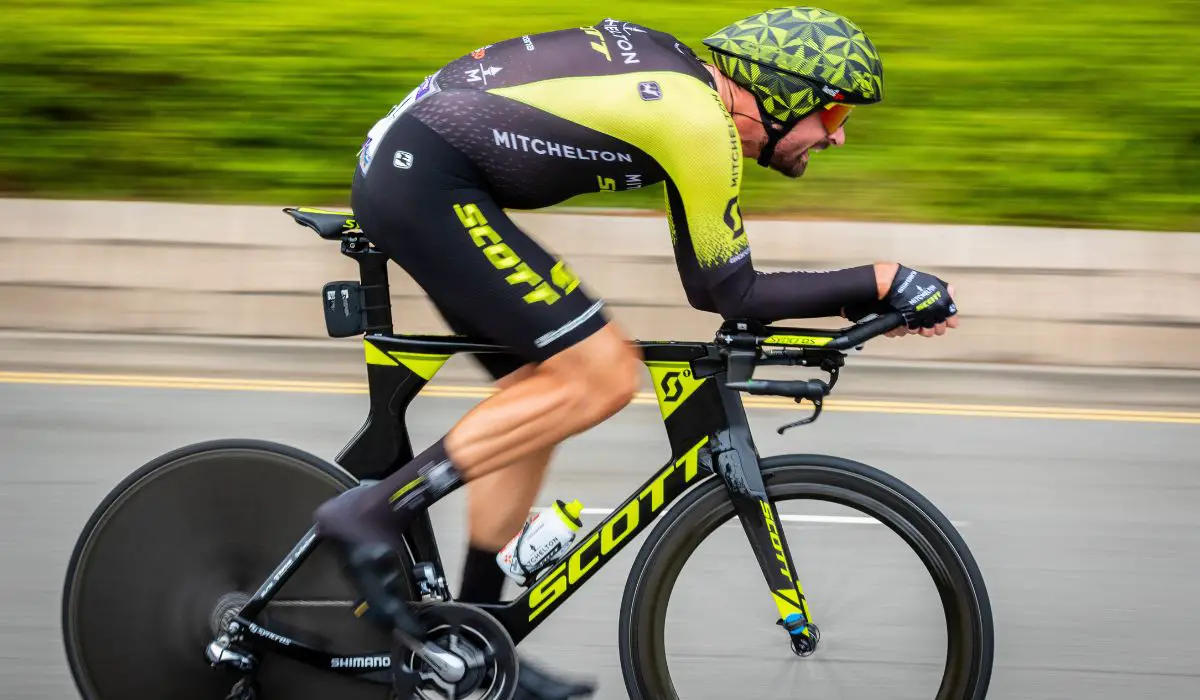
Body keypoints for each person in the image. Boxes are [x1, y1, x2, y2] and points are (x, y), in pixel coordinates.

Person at [314, 6, 959, 699]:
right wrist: (882, 281)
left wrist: (867, 296)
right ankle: (373, 511)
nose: (836, 137)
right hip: (425, 181)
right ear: (783, 94)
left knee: (546, 388)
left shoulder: (686, 101)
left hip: (418, 168)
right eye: (832, 115)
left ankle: (474, 636)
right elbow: (733, 291)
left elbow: (710, 286)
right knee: (604, 374)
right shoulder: (695, 120)